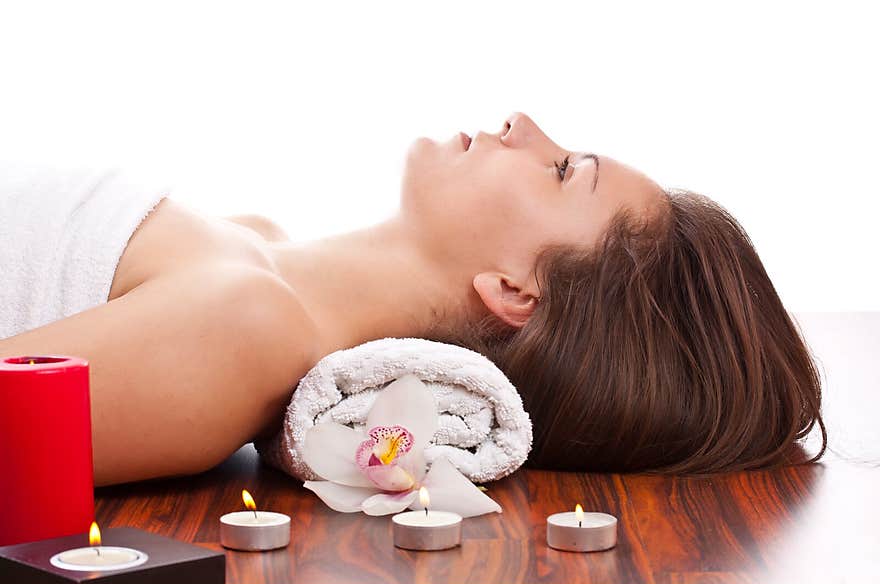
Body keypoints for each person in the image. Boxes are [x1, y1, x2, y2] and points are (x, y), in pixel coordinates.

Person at [0, 112, 826, 486]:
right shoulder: (257, 246)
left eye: (563, 169)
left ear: (516, 291)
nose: (522, 122)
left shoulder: (245, 333)